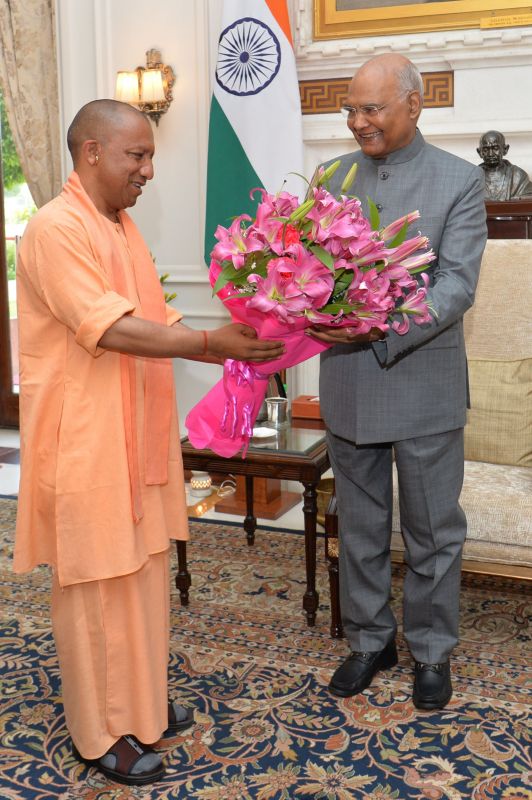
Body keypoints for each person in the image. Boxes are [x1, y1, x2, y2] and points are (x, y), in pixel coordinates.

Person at [14, 99, 285, 786]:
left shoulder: (121, 226)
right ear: (92, 152)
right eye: (137, 155)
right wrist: (210, 343)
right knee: (95, 588)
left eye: (150, 156)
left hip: (133, 429)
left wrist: (245, 333)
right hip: (85, 440)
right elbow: (108, 327)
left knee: (140, 574)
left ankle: (137, 701)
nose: (148, 171)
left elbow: (156, 318)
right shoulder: (55, 228)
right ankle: (99, 732)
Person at [308, 54, 487, 710]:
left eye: (372, 108)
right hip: (349, 384)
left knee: (432, 532)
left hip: (422, 383)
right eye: (350, 109)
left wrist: (377, 330)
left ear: (413, 105)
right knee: (359, 525)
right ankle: (369, 641)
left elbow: (456, 285)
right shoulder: (330, 177)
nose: (358, 122)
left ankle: (432, 651)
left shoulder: (459, 180)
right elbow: (310, 269)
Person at [477, 130, 532, 200]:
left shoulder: (518, 175)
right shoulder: (472, 178)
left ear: (505, 149)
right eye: (485, 149)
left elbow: (528, 198)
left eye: (495, 148)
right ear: (479, 152)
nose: (490, 154)